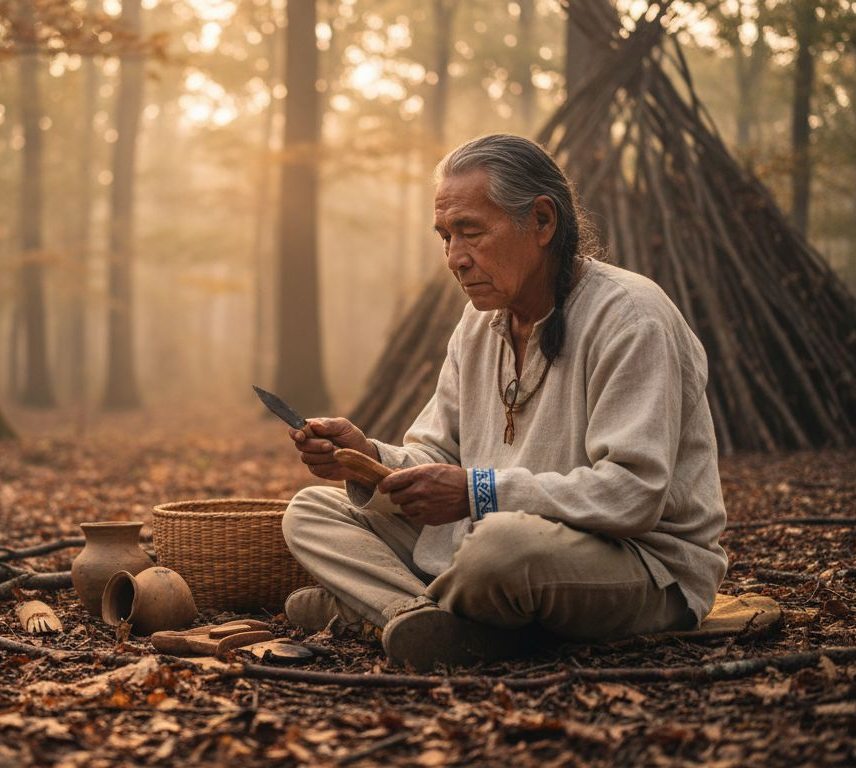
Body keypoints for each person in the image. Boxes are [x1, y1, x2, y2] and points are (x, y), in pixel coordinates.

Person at [280, 134, 728, 671]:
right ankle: (416, 617)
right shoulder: (477, 325)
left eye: (470, 232)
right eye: (445, 237)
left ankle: (381, 606)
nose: (454, 258)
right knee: (312, 511)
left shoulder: (631, 317)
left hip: (640, 565)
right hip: (487, 539)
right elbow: (435, 459)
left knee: (501, 551)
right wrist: (366, 458)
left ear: (542, 222)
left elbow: (632, 496)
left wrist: (478, 492)